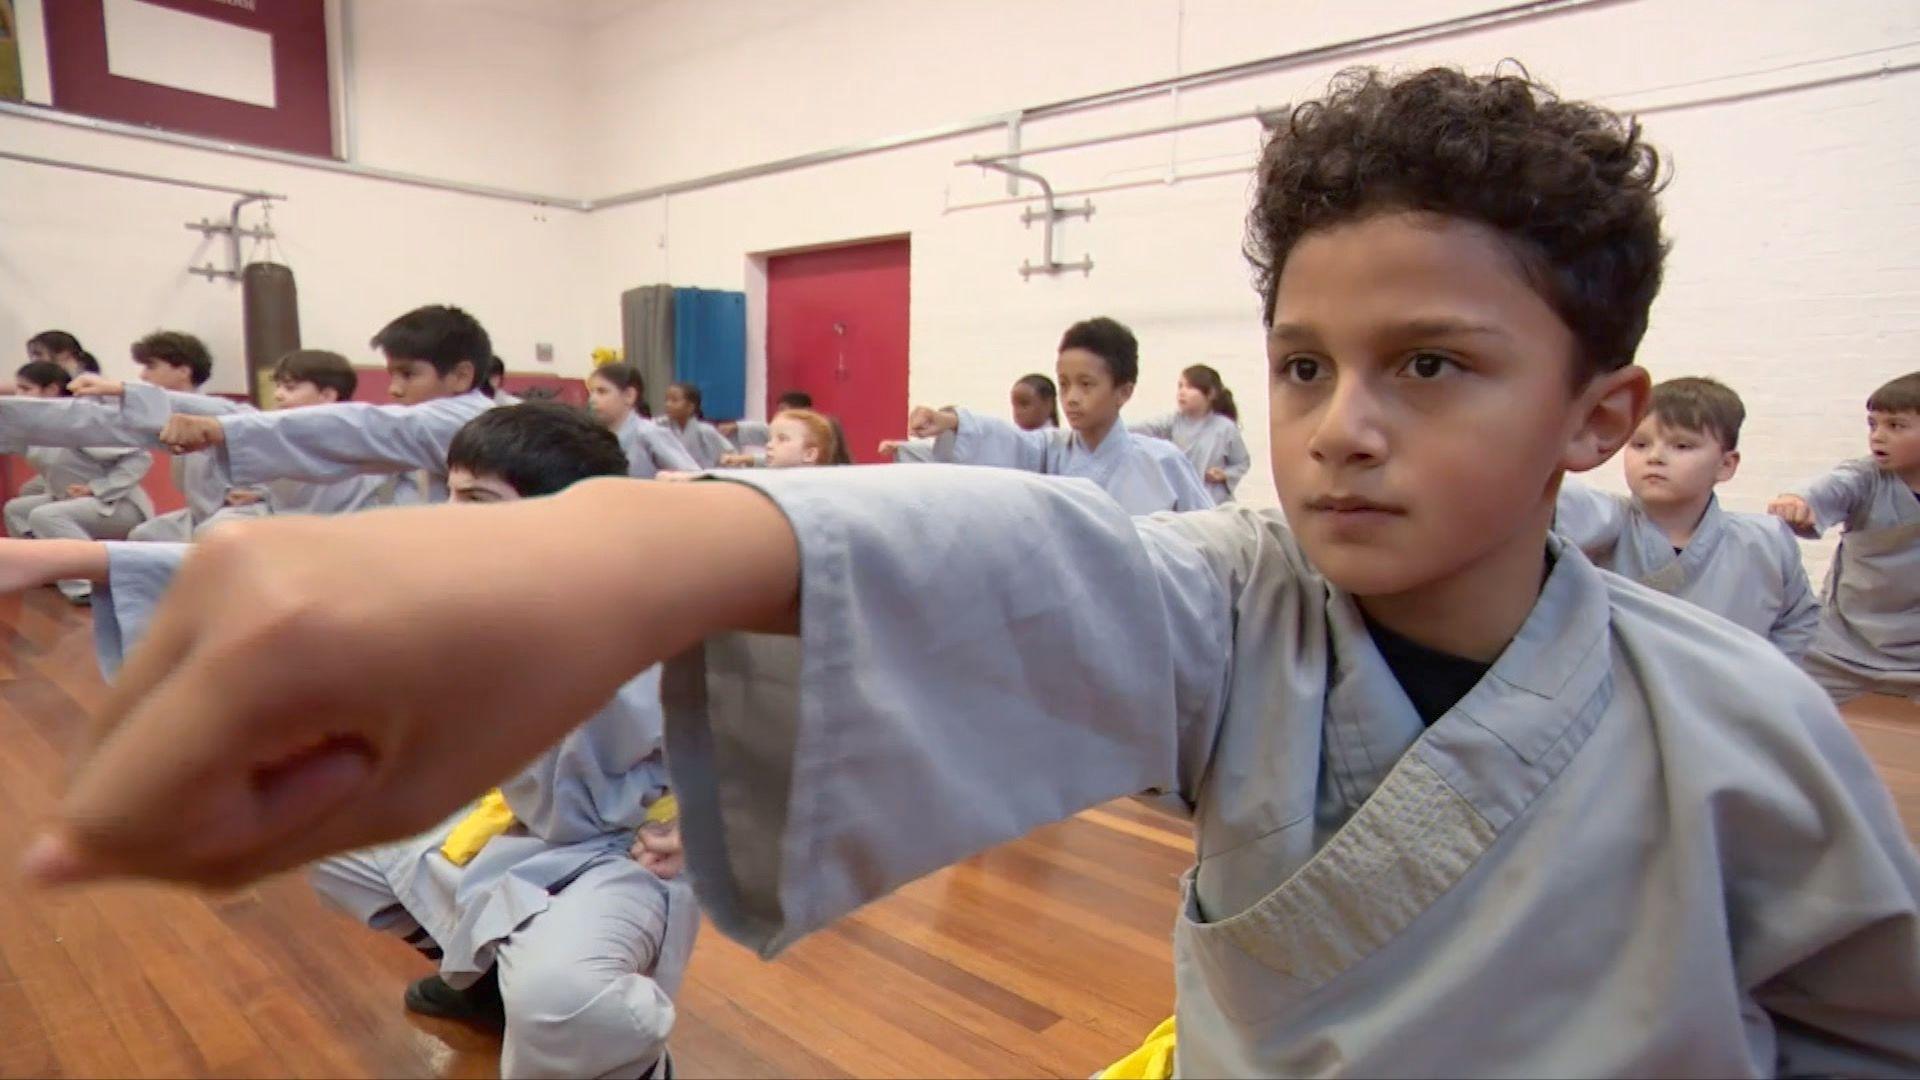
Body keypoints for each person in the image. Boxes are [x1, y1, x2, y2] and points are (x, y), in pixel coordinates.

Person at [22, 67, 1920, 1078]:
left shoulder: (1743, 729)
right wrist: (619, 562)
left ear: (1604, 416)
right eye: (1305, 366)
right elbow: (1039, 565)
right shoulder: (1235, 605)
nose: (1343, 424)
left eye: (1431, 366)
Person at [3, 403, 697, 1080]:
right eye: (452, 496)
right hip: (525, 830)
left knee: (565, 1004)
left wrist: (706, 821)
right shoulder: (464, 582)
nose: (453, 521)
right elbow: (297, 583)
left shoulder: (669, 603)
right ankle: (489, 977)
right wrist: (58, 557)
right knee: (324, 836)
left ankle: (627, 1064)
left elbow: (784, 726)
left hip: (630, 852)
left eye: (478, 501)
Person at [1556, 376, 1819, 659]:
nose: (1655, 456)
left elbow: (1798, 621)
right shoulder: (1601, 520)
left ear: (1726, 465)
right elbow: (1541, 494)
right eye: (1640, 444)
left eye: (1681, 446)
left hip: (1728, 696)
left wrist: (1764, 683)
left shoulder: (1767, 542)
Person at [154, 305, 498, 505]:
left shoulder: (468, 424)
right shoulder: (452, 420)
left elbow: (360, 426)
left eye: (408, 375)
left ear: (460, 376)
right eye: (392, 375)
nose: (394, 389)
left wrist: (220, 430)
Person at [908, 319, 1212, 514]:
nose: (1072, 397)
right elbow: (1010, 441)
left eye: (1086, 384)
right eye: (1064, 384)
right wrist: (952, 422)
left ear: (1123, 392)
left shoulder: (1163, 463)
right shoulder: (1048, 453)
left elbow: (1206, 539)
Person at [1769, 370, 1920, 704]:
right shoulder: (1866, 478)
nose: (1878, 437)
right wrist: (1797, 502)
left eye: (1895, 426)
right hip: (1839, 645)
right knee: (1773, 700)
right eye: (1872, 424)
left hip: (1915, 654)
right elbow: (1832, 487)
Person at [0, 360, 154, 602]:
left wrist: (97, 488)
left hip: (118, 506)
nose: (19, 395)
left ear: (51, 390)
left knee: (47, 515)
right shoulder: (37, 426)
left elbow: (139, 458)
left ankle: (86, 586)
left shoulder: (77, 422)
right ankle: (45, 571)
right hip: (72, 500)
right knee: (16, 509)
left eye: (26, 389)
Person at [1130, 364, 1253, 504]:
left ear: (1211, 393)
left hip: (1214, 503)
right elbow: (1145, 428)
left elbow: (1242, 462)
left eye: (1189, 387)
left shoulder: (1225, 428)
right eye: (1180, 386)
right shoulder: (1173, 421)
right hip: (1182, 500)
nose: (1182, 392)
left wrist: (1225, 474)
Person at [882, 374, 1058, 463]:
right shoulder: (1009, 440)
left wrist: (952, 420)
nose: (1018, 412)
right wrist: (904, 448)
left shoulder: (1056, 447)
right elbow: (957, 458)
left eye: (1025, 404)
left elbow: (991, 433)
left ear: (1048, 404)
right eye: (1014, 405)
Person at [584, 363, 699, 477]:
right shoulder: (594, 438)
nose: (592, 400)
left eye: (602, 391)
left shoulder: (650, 433)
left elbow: (692, 477)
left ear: (629, 395)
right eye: (591, 392)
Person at [659, 381, 736, 468]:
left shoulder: (705, 431)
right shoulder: (660, 426)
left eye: (674, 400)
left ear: (690, 407)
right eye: (666, 400)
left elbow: (730, 455)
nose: (668, 404)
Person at [26, 330, 101, 376]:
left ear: (64, 354)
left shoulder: (89, 383)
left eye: (38, 354)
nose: (34, 360)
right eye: (31, 355)